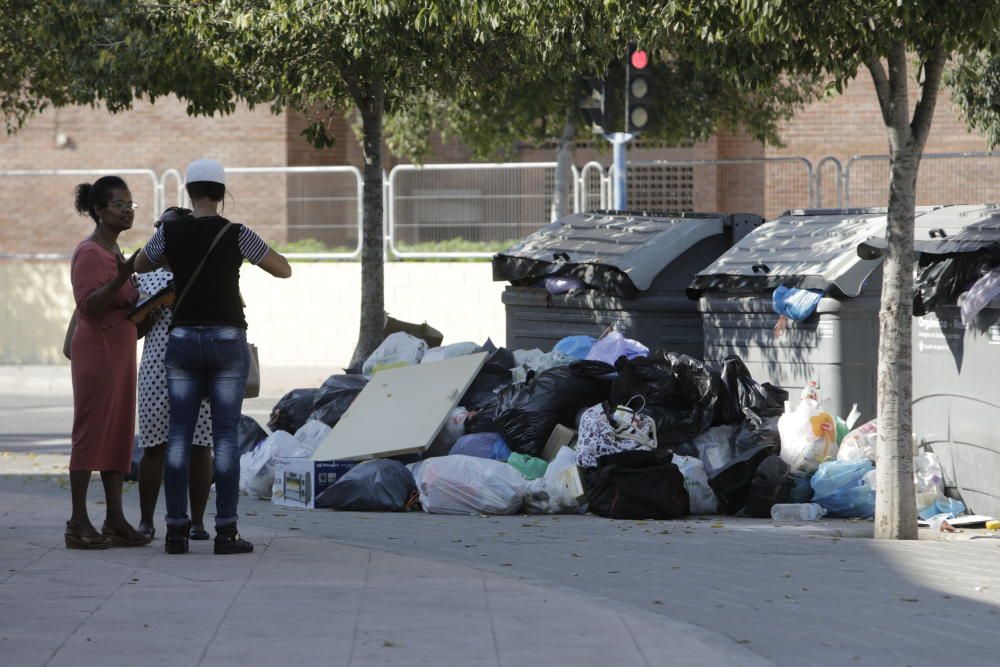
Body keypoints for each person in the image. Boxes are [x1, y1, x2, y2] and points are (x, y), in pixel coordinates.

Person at [135, 158, 291, 555]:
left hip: (182, 337)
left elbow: (140, 263)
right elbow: (283, 269)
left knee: (178, 438)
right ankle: (226, 532)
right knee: (223, 438)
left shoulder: (169, 232)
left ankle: (174, 531)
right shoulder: (237, 234)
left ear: (189, 193)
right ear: (222, 195)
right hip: (226, 337)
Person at [66, 176, 151, 549]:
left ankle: (115, 518)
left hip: (119, 351)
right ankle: (78, 521)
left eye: (130, 203)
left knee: (117, 432)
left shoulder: (116, 253)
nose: (127, 209)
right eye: (119, 204)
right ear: (98, 211)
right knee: (91, 430)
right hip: (96, 353)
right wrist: (122, 278)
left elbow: (122, 306)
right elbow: (89, 305)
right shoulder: (90, 253)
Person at [135, 207, 214, 542]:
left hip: (198, 365)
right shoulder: (143, 276)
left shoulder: (208, 272)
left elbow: (230, 312)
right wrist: (152, 310)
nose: (162, 236)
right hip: (156, 368)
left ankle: (196, 522)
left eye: (167, 230)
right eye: (159, 229)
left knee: (199, 445)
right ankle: (146, 521)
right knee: (154, 445)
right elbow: (134, 329)